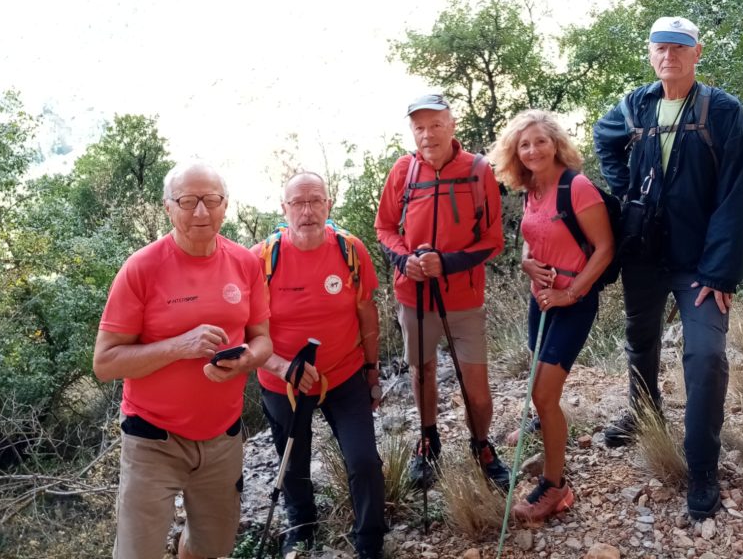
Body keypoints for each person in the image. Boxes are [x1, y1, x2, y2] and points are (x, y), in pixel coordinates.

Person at [593, 16, 743, 520]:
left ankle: (702, 467)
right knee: (640, 338)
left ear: (697, 53)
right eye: (661, 47)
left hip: (700, 263)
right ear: (650, 53)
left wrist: (720, 272)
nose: (669, 56)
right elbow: (604, 138)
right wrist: (626, 190)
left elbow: (740, 196)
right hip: (643, 254)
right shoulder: (634, 106)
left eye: (680, 48)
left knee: (706, 354)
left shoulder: (723, 111)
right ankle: (644, 414)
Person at [93, 161, 273, 559]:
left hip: (223, 437)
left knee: (212, 549)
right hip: (152, 439)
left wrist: (246, 360)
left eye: (211, 200)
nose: (201, 212)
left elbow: (263, 340)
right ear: (168, 207)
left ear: (225, 205)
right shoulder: (141, 268)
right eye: (188, 201)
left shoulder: (245, 263)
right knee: (136, 553)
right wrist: (180, 346)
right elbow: (105, 363)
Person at [375, 92, 510, 491]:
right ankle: (428, 438)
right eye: (419, 127)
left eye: (436, 125)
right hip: (413, 296)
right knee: (423, 370)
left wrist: (446, 263)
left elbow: (493, 240)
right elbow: (385, 228)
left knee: (476, 388)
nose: (427, 134)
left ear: (452, 126)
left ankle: (481, 443)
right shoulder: (403, 171)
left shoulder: (478, 170)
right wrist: (405, 260)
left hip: (464, 299)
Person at [253, 172, 386, 559]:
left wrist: (372, 370)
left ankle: (370, 540)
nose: (307, 211)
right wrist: (282, 367)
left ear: (329, 205)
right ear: (284, 208)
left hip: (344, 375)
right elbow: (243, 329)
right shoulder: (261, 259)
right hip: (284, 384)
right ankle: (301, 527)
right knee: (293, 463)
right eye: (298, 203)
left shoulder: (349, 250)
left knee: (364, 459)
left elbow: (367, 312)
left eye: (315, 201)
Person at [490, 110, 614, 521]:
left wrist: (569, 293)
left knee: (544, 394)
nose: (532, 150)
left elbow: (604, 249)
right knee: (539, 384)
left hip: (573, 303)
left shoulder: (576, 187)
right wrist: (527, 263)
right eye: (524, 145)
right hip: (540, 299)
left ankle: (556, 486)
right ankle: (545, 424)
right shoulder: (532, 188)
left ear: (555, 143)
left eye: (540, 141)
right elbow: (532, 238)